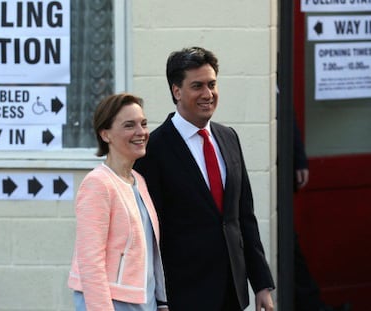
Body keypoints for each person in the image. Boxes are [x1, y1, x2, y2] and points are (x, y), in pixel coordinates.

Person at [134, 47, 275, 311]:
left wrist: (262, 284)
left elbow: (244, 218)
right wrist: (159, 300)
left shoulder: (229, 137)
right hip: (184, 295)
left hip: (233, 292)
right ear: (177, 91)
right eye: (197, 86)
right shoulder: (153, 150)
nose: (208, 94)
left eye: (212, 84)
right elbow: (151, 234)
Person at [68, 93, 168, 311]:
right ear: (106, 135)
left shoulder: (138, 181)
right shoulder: (98, 184)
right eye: (129, 125)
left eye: (143, 124)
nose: (141, 132)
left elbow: (150, 252)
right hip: (113, 303)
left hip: (145, 302)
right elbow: (90, 263)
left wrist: (161, 302)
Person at [293, 118, 351, 311]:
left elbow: (288, 118)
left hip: (285, 179)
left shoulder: (278, 89)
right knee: (289, 247)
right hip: (277, 180)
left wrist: (299, 158)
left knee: (290, 247)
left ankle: (313, 305)